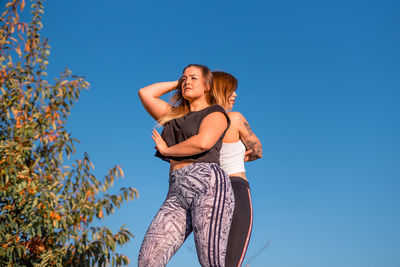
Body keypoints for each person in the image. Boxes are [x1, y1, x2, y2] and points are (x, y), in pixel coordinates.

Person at [138, 65, 235, 267]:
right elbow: (145, 93)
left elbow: (203, 142)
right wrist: (179, 83)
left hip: (208, 185)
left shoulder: (215, 112)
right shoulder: (173, 116)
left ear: (208, 85)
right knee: (148, 260)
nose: (187, 82)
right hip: (176, 192)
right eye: (184, 79)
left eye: (193, 78)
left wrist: (167, 151)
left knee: (211, 261)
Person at [212, 71, 263, 267]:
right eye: (231, 91)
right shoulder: (235, 118)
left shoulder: (200, 125)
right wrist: (245, 155)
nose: (235, 96)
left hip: (211, 193)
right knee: (231, 262)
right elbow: (258, 149)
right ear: (219, 91)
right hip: (235, 187)